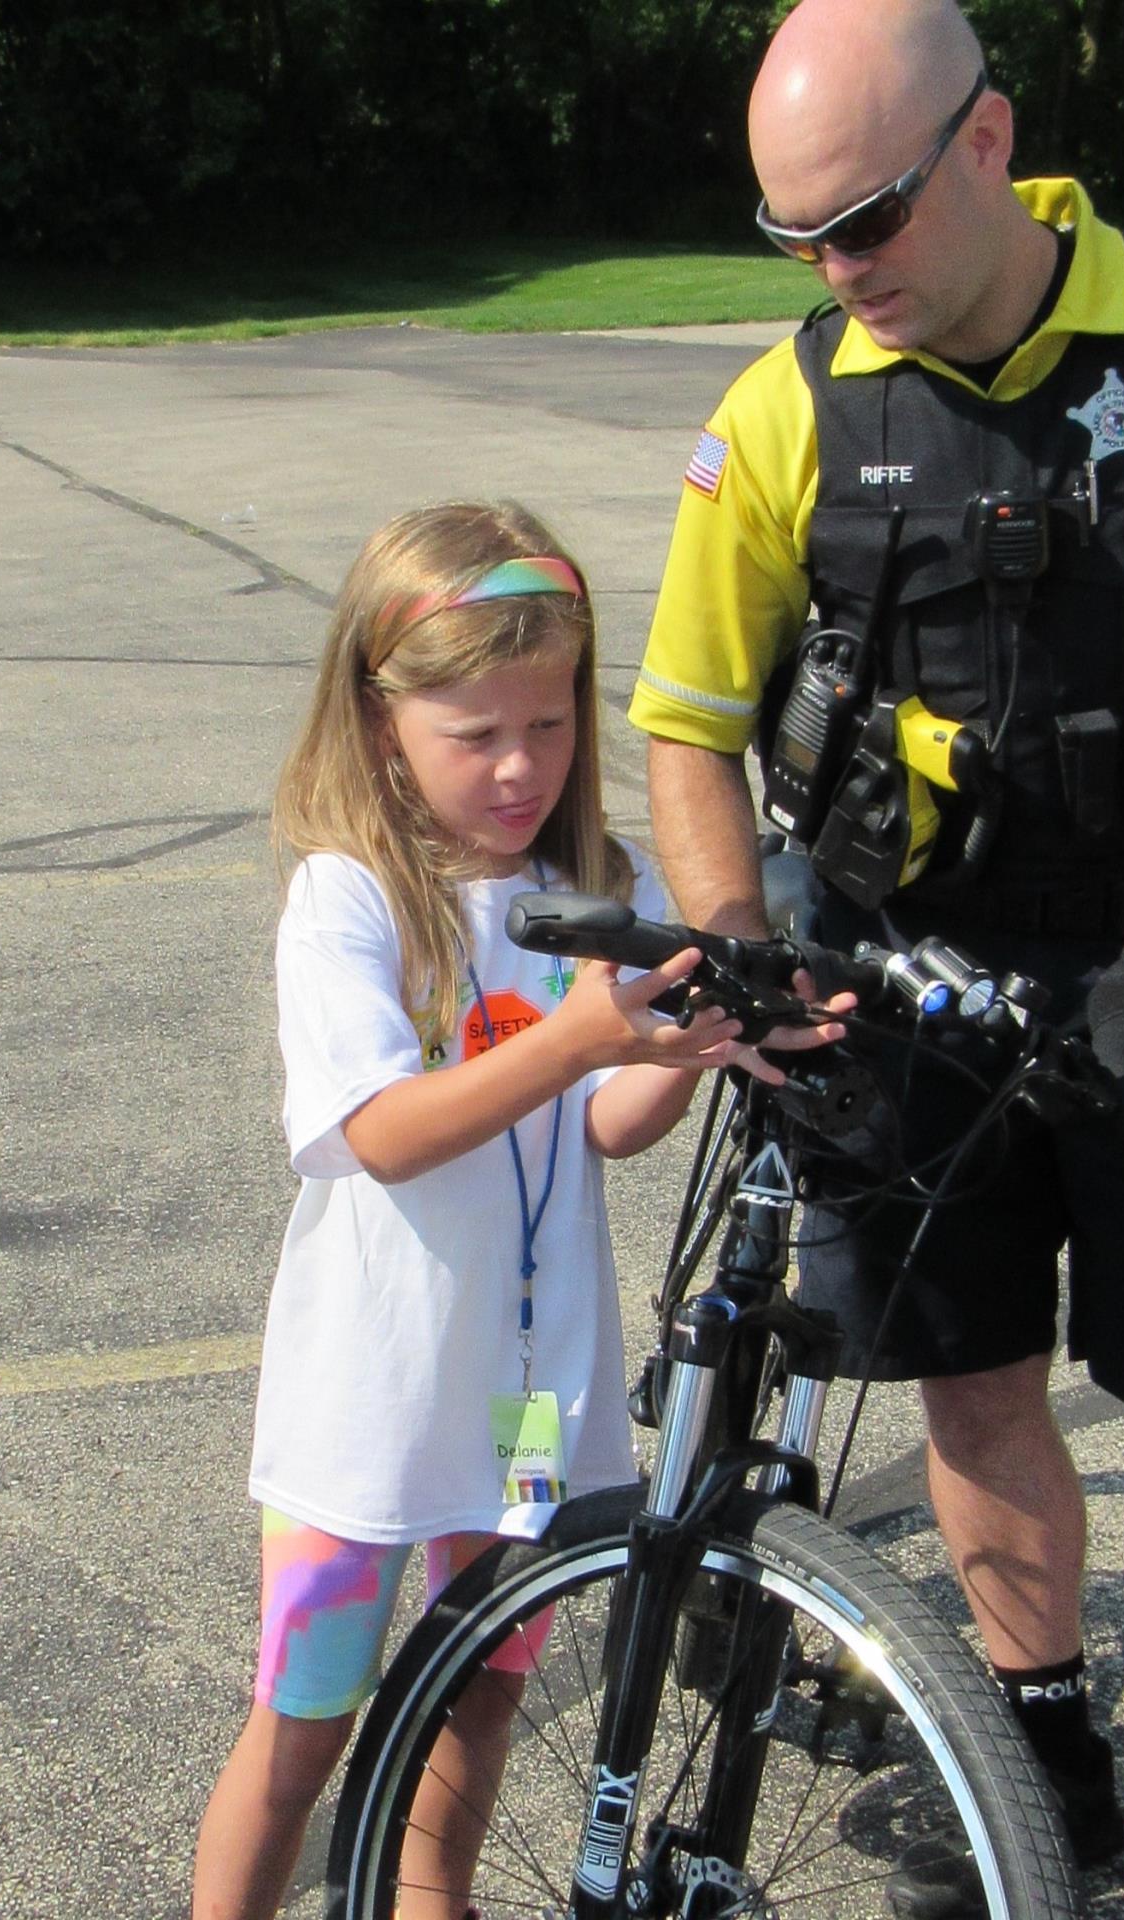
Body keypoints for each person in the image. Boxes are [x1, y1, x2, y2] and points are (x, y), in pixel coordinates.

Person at [629, 4, 1124, 1914]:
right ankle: (1043, 1731)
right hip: (911, 973)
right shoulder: (787, 408)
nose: (840, 272)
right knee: (976, 1383)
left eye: (872, 218)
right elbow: (684, 720)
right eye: (799, 237)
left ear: (988, 138)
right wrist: (746, 967)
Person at [192, 500, 841, 1920]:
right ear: (379, 723)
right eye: (475, 733)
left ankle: (436, 1903)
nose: (518, 767)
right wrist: (571, 1040)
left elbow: (604, 1121)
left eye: (547, 727)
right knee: (305, 1728)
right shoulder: (350, 896)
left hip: (531, 1402)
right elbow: (372, 1130)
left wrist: (686, 1051)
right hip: (366, 1403)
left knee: (481, 1694)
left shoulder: (593, 889)